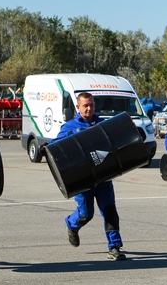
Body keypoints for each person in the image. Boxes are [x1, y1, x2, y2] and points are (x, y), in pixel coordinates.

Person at [54, 92, 126, 261]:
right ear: (78, 107)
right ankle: (72, 225)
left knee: (110, 211)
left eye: (91, 105)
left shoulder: (103, 124)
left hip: (103, 177)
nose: (89, 108)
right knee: (86, 214)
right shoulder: (69, 127)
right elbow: (54, 146)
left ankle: (114, 247)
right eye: (85, 105)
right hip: (83, 178)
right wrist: (81, 132)